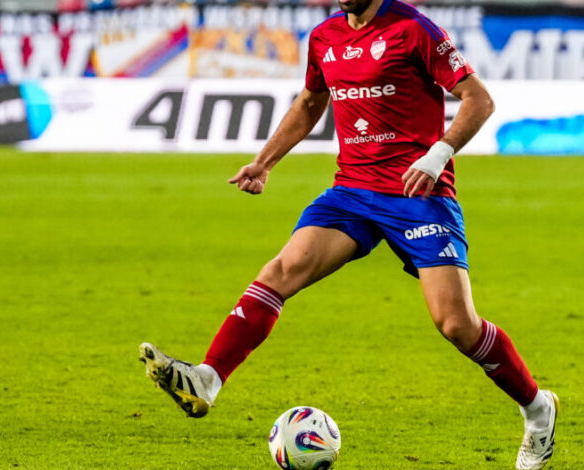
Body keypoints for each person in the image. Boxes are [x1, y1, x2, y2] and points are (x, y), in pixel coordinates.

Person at [138, 0, 558, 469]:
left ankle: (538, 409)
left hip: (417, 194)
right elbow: (310, 102)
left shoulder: (414, 29)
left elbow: (480, 99)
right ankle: (207, 379)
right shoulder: (324, 37)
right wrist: (264, 162)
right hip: (352, 192)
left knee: (457, 324)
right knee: (282, 269)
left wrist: (439, 153)